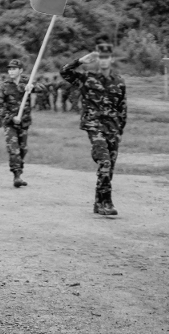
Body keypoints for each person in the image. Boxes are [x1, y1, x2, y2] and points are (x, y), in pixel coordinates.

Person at [60, 43, 127, 215]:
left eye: (106, 57)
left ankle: (98, 203)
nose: (103, 61)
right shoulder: (86, 78)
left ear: (111, 59)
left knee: (109, 166)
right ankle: (107, 201)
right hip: (93, 125)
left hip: (112, 128)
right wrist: (80, 61)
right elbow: (64, 72)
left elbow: (122, 107)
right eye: (100, 57)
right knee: (104, 161)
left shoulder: (119, 81)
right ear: (97, 59)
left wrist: (120, 129)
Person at [0, 59, 43, 188]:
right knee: (14, 149)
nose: (11, 71)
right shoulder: (4, 86)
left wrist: (32, 87)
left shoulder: (27, 81)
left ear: (20, 70)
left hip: (24, 122)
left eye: (14, 69)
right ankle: (16, 176)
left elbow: (42, 88)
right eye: (9, 69)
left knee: (23, 150)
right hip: (10, 123)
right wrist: (11, 118)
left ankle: (19, 172)